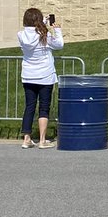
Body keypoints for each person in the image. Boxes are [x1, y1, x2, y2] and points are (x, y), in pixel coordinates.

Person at [18, 8, 64, 148]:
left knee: (30, 106)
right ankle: (42, 140)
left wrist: (41, 23)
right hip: (45, 75)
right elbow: (59, 44)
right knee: (44, 107)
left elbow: (31, 32)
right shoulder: (44, 35)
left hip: (28, 75)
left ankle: (26, 138)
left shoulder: (21, 35)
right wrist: (57, 30)